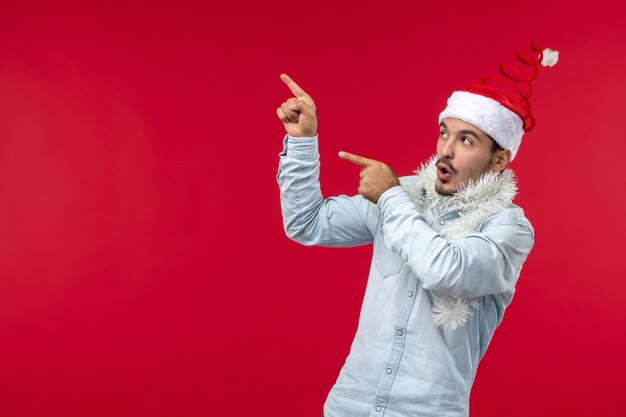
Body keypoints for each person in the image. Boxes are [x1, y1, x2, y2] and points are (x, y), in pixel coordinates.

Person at [275, 44, 558, 417]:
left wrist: (390, 198)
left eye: (466, 140)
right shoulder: (406, 194)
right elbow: (307, 223)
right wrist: (302, 141)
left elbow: (448, 272)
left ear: (500, 160)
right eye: (444, 133)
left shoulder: (509, 229)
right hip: (349, 405)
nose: (446, 150)